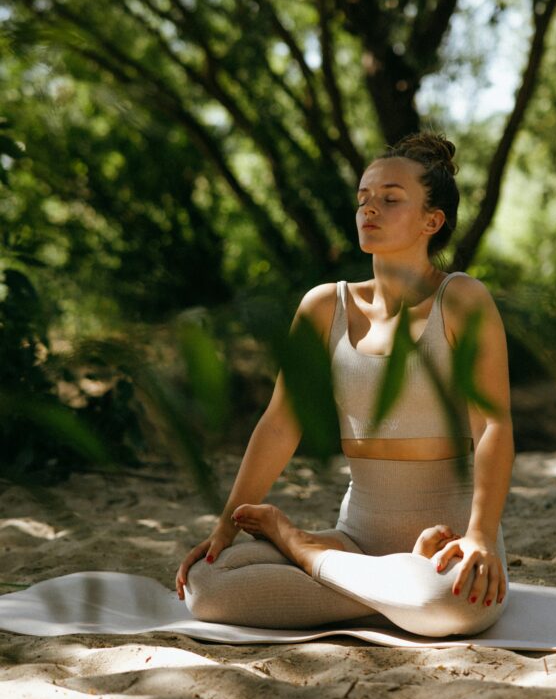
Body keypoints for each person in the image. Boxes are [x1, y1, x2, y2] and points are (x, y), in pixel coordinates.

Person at [175, 132, 513, 637]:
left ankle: (300, 546)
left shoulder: (462, 299)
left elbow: (494, 425)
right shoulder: (323, 307)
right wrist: (226, 522)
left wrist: (480, 537)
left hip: (450, 538)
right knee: (206, 583)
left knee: (450, 602)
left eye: (390, 199)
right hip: (355, 538)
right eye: (363, 198)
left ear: (432, 221)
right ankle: (389, 590)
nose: (368, 209)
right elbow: (280, 423)